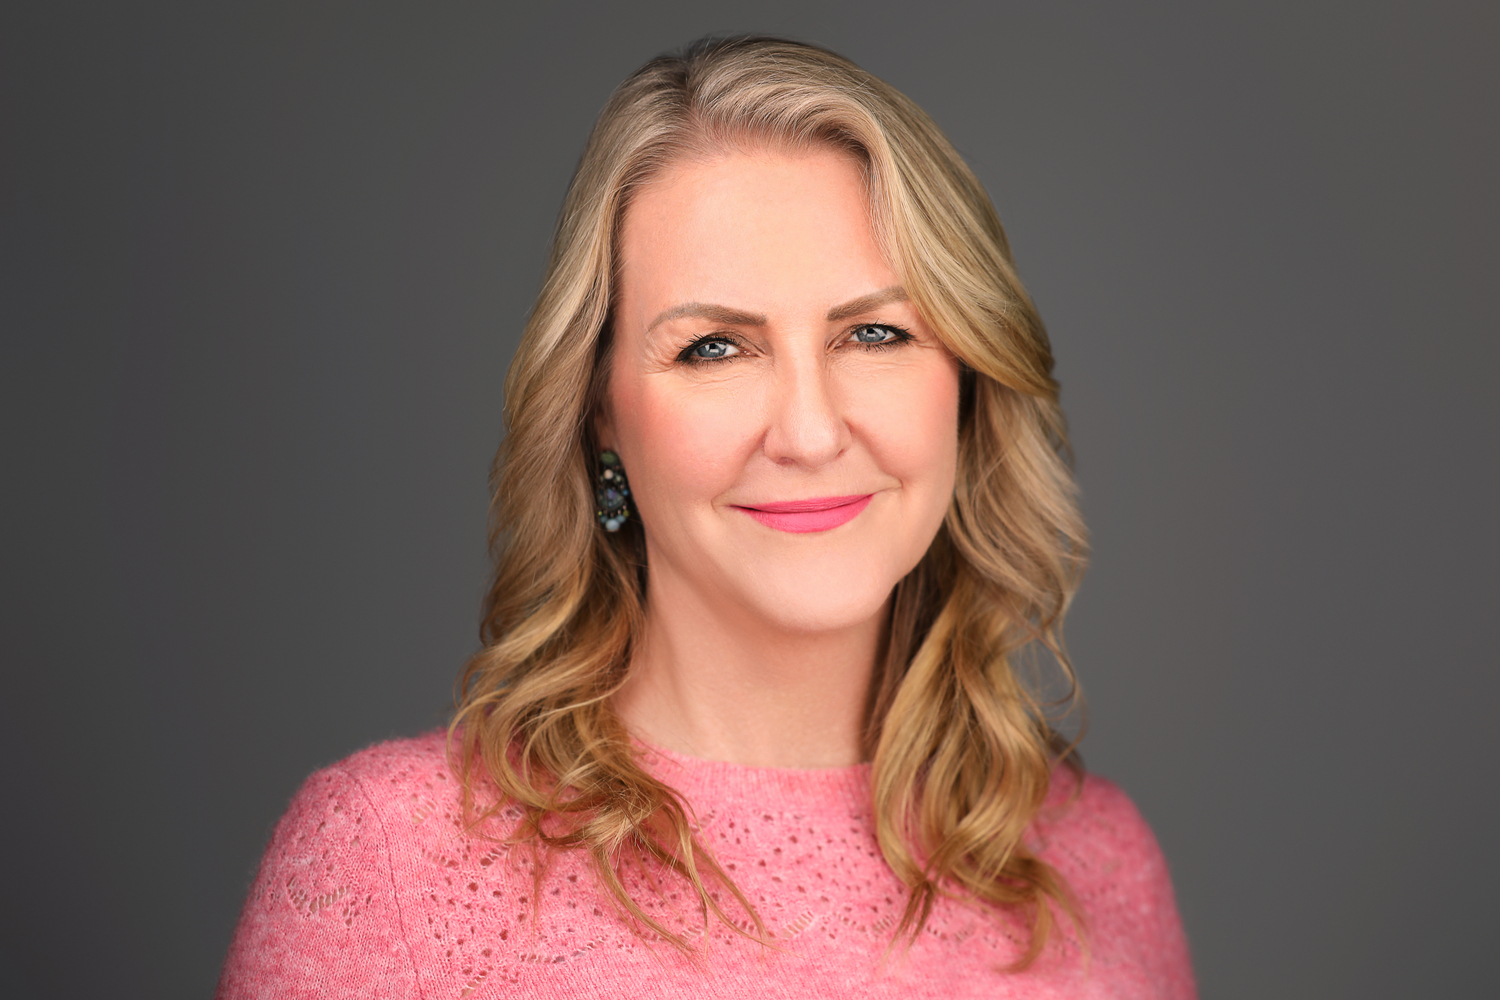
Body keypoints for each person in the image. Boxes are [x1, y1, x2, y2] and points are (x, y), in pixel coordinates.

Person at [217, 36, 1195, 999]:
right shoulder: (390, 866)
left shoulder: (1098, 864)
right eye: (715, 348)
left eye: (875, 333)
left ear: (969, 384)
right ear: (600, 414)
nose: (810, 432)